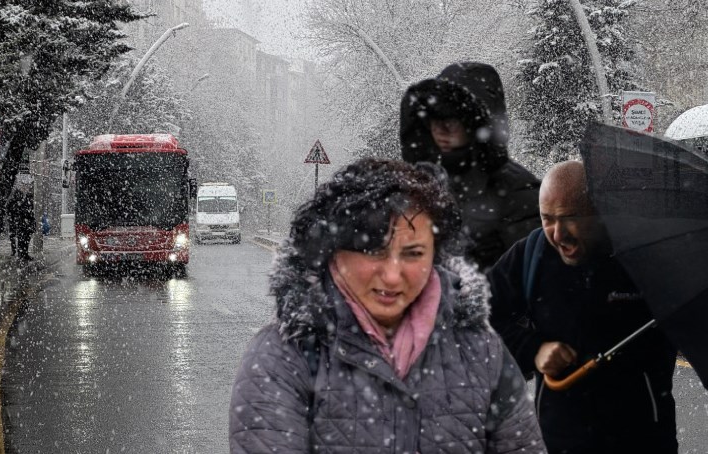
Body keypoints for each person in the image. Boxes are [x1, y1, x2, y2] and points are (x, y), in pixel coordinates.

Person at [229, 158, 545, 453]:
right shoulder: (281, 357)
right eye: (373, 251)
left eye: (413, 253)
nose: (393, 276)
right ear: (331, 252)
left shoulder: (482, 351)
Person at [488, 161, 678, 454]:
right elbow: (477, 312)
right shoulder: (532, 254)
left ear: (600, 212)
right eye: (547, 219)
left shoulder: (647, 257)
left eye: (569, 218)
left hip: (643, 438)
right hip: (558, 439)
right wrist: (533, 348)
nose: (557, 234)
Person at [400, 61, 540, 272]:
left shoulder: (519, 192)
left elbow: (529, 278)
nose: (440, 130)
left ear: (478, 123)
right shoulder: (422, 189)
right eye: (436, 118)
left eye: (454, 119)